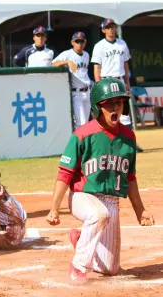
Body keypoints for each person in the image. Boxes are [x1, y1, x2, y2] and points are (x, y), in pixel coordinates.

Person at [45, 78, 154, 285]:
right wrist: (55, 209)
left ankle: (81, 240)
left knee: (110, 269)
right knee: (98, 214)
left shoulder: (129, 138)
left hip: (112, 201)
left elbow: (130, 178)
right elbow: (64, 174)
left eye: (119, 103)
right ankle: (78, 266)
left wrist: (140, 210)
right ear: (97, 108)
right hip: (83, 196)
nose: (116, 108)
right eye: (109, 104)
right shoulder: (82, 135)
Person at [91, 18, 143, 152]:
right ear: (103, 30)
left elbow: (126, 65)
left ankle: (129, 143)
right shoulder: (99, 46)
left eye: (113, 27)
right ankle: (105, 145)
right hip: (106, 81)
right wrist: (98, 85)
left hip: (120, 79)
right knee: (107, 113)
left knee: (124, 113)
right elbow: (97, 67)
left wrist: (127, 82)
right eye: (108, 27)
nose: (111, 30)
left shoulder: (122, 44)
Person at [52, 32, 91, 129]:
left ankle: (82, 143)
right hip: (76, 93)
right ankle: (79, 143)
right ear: (72, 43)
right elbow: (53, 64)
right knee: (81, 123)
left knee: (86, 122)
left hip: (87, 91)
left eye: (81, 41)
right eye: (77, 41)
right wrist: (67, 62)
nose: (79, 44)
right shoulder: (68, 54)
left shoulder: (86, 55)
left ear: (85, 42)